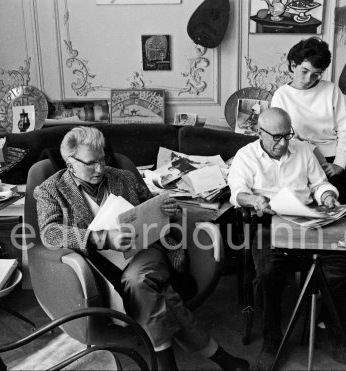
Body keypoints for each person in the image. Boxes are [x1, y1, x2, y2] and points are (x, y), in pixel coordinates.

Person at [34, 127, 249, 371]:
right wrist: (103, 238)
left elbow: (150, 207)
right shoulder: (51, 190)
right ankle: (216, 355)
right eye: (91, 163)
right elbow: (49, 232)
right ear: (70, 163)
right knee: (158, 293)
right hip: (98, 266)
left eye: (103, 159)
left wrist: (167, 209)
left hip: (143, 252)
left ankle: (167, 366)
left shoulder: (123, 177)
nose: (100, 168)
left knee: (139, 280)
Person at [227, 108, 346, 368]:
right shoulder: (246, 156)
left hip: (308, 220)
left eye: (287, 135)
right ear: (259, 133)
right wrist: (253, 199)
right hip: (269, 222)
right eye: (276, 137)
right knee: (268, 272)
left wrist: (327, 196)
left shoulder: (302, 151)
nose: (283, 143)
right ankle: (272, 338)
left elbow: (319, 183)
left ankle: (329, 330)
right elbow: (238, 192)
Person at [270, 37, 346, 204]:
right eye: (304, 71)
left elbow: (345, 129)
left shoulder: (331, 90)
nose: (309, 78)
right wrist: (313, 153)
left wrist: (340, 163)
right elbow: (286, 135)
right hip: (301, 160)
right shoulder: (281, 95)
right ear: (293, 66)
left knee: (339, 215)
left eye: (316, 74)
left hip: (334, 161)